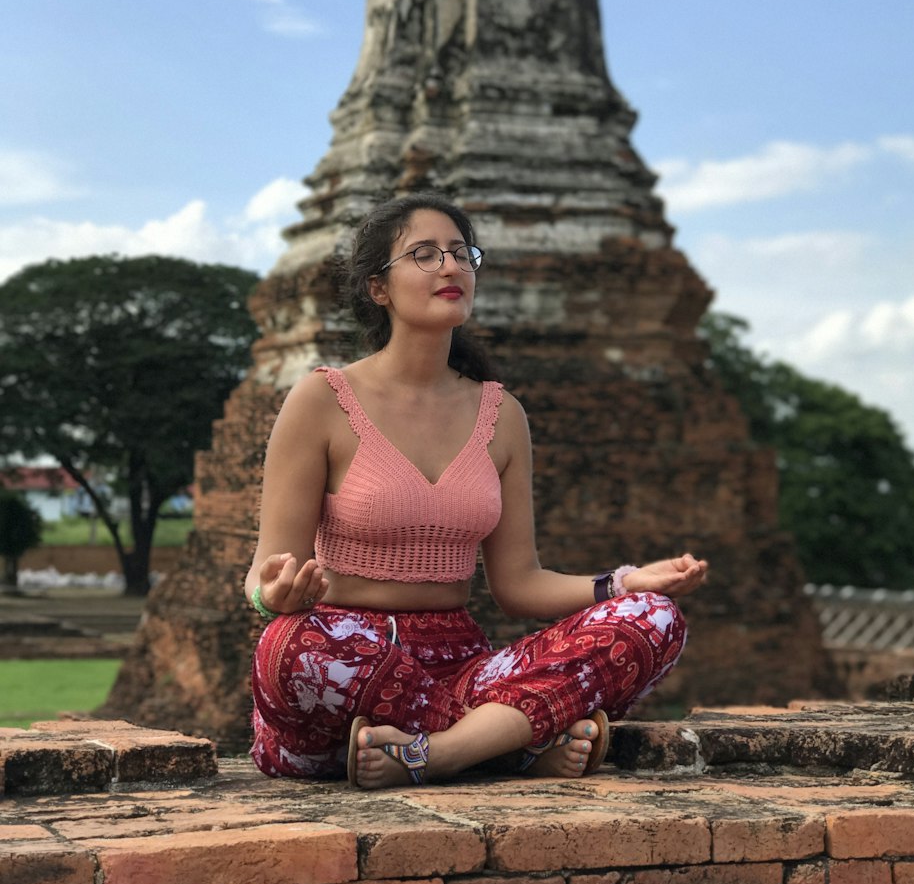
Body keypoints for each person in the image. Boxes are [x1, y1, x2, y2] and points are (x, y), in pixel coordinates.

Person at [246, 193, 708, 789]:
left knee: (655, 617)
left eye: (462, 253)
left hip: (460, 665)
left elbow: (518, 583)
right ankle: (504, 747)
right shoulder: (323, 401)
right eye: (424, 254)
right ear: (377, 288)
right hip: (344, 655)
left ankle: (436, 754)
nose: (450, 267)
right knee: (288, 647)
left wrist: (623, 582)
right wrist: (273, 597)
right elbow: (263, 573)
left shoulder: (500, 413)